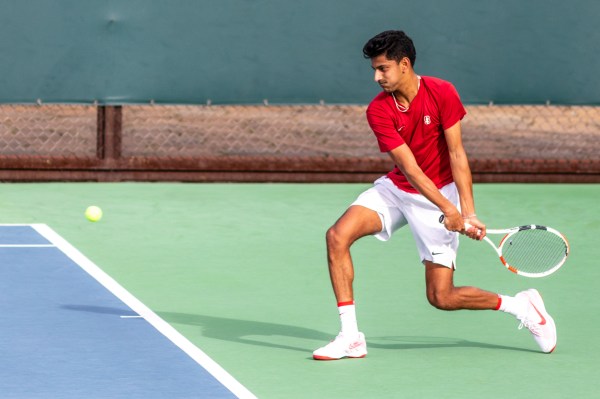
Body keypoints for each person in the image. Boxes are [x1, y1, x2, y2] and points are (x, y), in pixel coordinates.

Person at [312, 30, 557, 360]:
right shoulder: (378, 111)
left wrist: (466, 212)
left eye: (382, 68)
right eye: (374, 69)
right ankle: (350, 337)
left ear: (404, 64)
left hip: (441, 191)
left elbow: (457, 154)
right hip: (398, 189)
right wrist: (448, 210)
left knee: (442, 297)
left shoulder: (442, 92)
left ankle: (522, 307)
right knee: (337, 236)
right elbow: (410, 169)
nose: (376, 77)